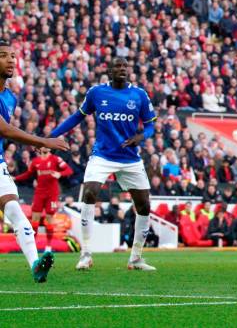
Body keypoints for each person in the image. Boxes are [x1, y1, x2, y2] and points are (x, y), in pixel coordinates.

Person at [50, 57, 158, 271]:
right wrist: (52, 136)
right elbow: (76, 117)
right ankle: (86, 254)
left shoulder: (139, 95)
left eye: (125, 66)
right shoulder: (96, 93)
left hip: (129, 157)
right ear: (109, 71)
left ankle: (135, 258)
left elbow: (150, 125)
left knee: (144, 205)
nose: (122, 69)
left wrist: (141, 137)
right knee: (90, 192)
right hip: (103, 155)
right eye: (117, 66)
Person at [0, 40, 68, 283]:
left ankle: (35, 265)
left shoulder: (10, 98)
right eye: (3, 55)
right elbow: (5, 130)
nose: (10, 60)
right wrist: (43, 142)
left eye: (12, 55)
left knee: (15, 211)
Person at [13, 145, 73, 251]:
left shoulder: (56, 159)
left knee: (49, 219)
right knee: (35, 218)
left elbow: (69, 171)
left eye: (46, 146)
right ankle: (33, 245)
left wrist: (60, 173)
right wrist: (15, 178)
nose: (44, 148)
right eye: (42, 146)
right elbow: (28, 174)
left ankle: (48, 246)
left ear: (50, 148)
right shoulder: (35, 161)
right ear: (39, 149)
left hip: (52, 193)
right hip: (39, 192)